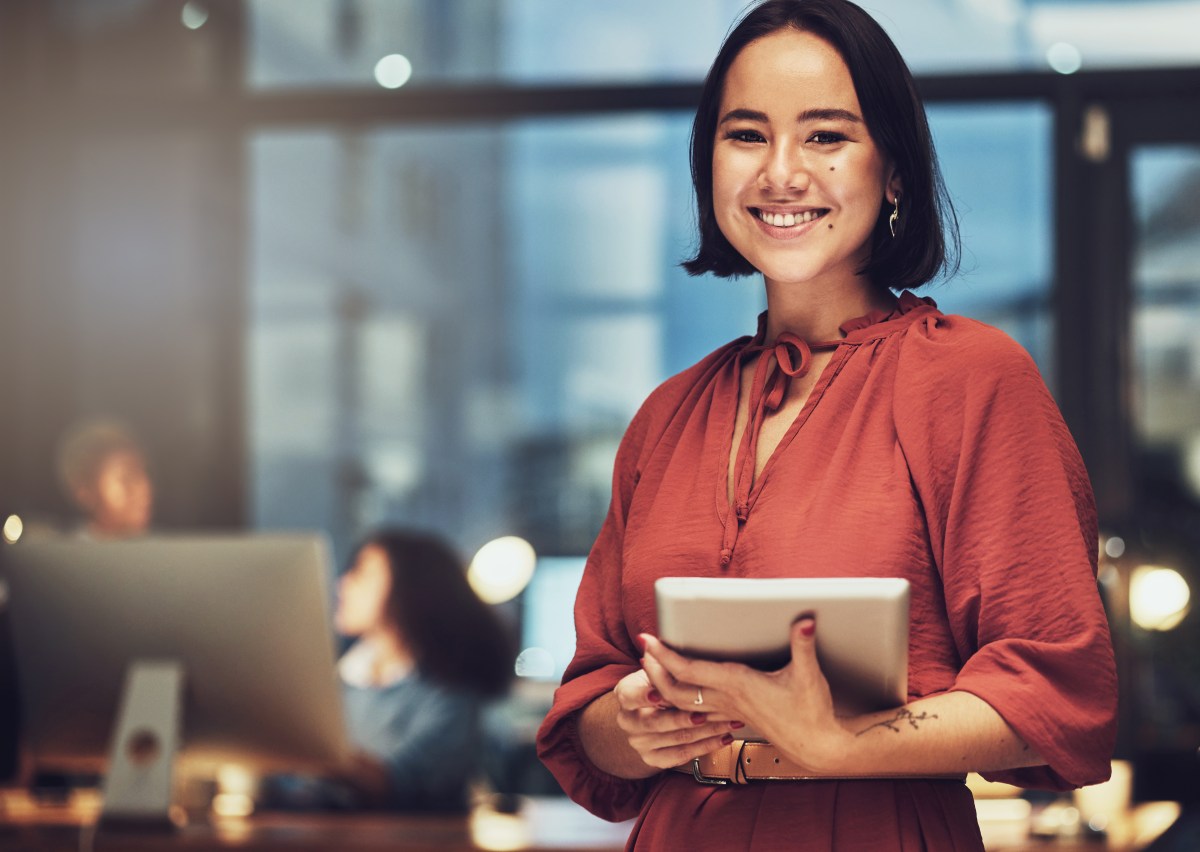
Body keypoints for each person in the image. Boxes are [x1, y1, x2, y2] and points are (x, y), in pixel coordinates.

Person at [535, 1, 1118, 848]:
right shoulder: (666, 416)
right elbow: (585, 710)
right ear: (707, 165)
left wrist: (843, 741)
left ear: (894, 174)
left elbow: (1058, 697)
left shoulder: (972, 379)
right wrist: (630, 726)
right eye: (746, 135)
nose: (780, 173)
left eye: (825, 136)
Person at [266, 528, 516, 813]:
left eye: (360, 572)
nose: (342, 584)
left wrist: (305, 753)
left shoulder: (451, 691)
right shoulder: (340, 678)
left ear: (410, 587)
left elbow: (401, 782)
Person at [54, 418, 154, 539]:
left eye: (144, 474)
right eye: (126, 478)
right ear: (85, 491)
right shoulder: (63, 553)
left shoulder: (163, 551)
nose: (145, 489)